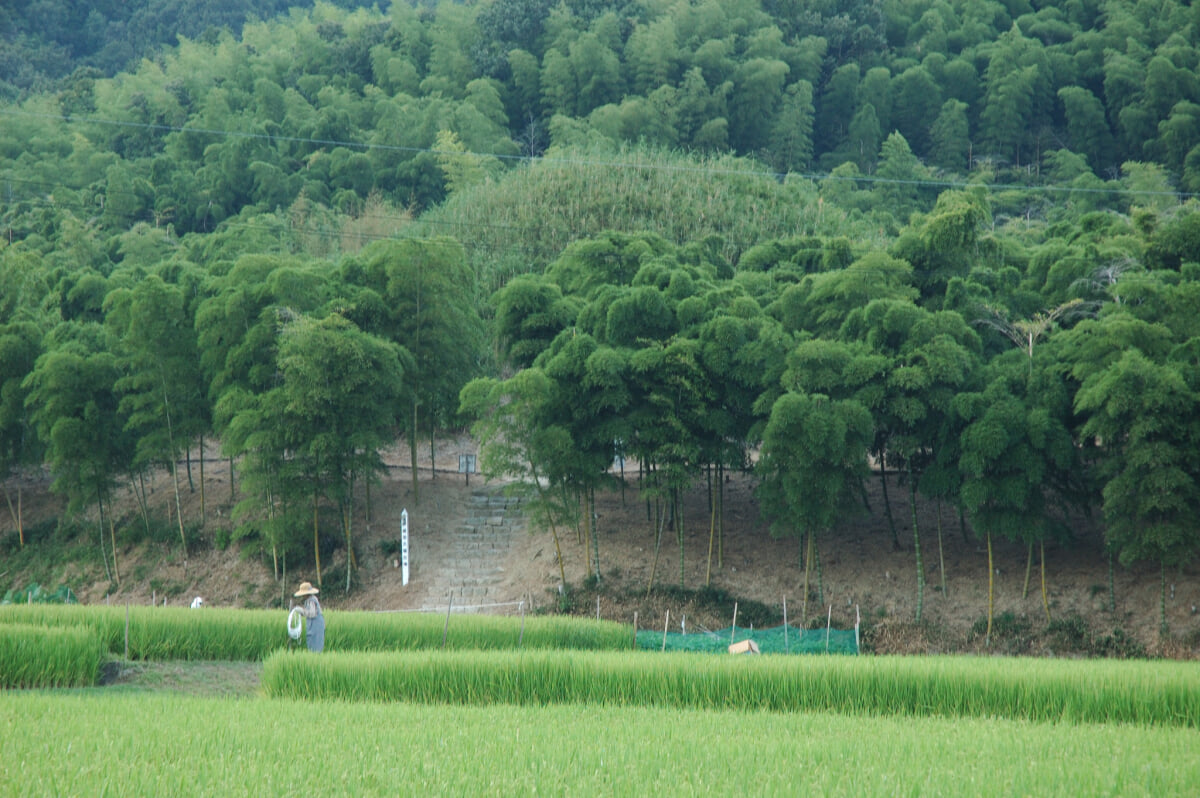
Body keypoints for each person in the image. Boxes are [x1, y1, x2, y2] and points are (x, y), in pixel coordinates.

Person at [293, 581, 325, 652]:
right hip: (314, 624)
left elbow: (312, 613)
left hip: (316, 625)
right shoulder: (310, 600)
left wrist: (301, 611)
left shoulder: (311, 600)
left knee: (315, 644)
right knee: (313, 643)